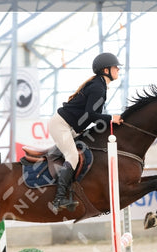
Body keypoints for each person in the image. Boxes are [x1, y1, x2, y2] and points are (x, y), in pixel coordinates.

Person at [49, 52, 123, 210]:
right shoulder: (97, 87)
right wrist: (111, 118)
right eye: (115, 67)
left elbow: (90, 116)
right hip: (61, 125)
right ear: (106, 70)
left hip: (69, 126)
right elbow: (91, 115)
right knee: (73, 156)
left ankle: (71, 192)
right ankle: (59, 199)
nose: (118, 69)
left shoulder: (100, 85)